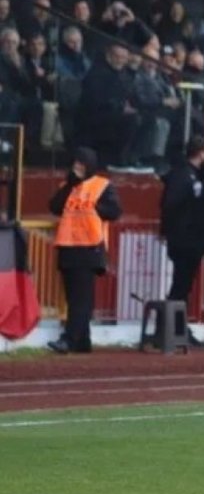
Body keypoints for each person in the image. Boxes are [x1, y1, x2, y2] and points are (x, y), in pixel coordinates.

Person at [47, 147, 122, 354]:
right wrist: (70, 184)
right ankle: (83, 341)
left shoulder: (101, 185)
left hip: (89, 247)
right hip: (68, 247)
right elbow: (54, 206)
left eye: (81, 163)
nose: (78, 167)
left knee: (80, 299)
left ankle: (69, 339)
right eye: (75, 163)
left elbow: (115, 211)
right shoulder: (68, 186)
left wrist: (95, 209)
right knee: (76, 299)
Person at [160, 136, 204, 345]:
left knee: (183, 285)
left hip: (188, 239)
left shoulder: (192, 174)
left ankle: (177, 328)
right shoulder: (183, 175)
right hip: (183, 239)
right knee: (180, 285)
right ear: (200, 152)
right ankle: (173, 329)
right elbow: (173, 205)